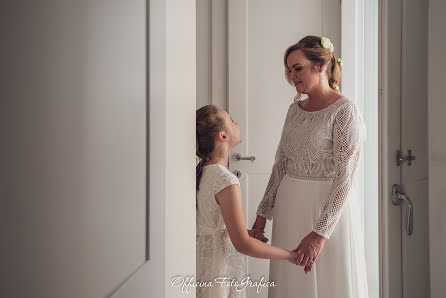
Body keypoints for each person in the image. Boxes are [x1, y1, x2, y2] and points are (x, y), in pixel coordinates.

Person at [250, 36, 369, 298]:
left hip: (325, 213)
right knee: (291, 283)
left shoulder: (345, 111)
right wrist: (262, 215)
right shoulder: (295, 110)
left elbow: (345, 176)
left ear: (320, 65)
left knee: (327, 283)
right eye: (289, 70)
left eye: (298, 68)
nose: (292, 75)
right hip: (289, 208)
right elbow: (280, 164)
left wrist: (319, 233)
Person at [196, 105, 298, 298]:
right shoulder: (224, 180)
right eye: (232, 121)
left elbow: (210, 224)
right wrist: (290, 255)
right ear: (223, 136)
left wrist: (247, 233)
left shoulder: (203, 172)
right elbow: (242, 244)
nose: (237, 123)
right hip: (218, 269)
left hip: (202, 263)